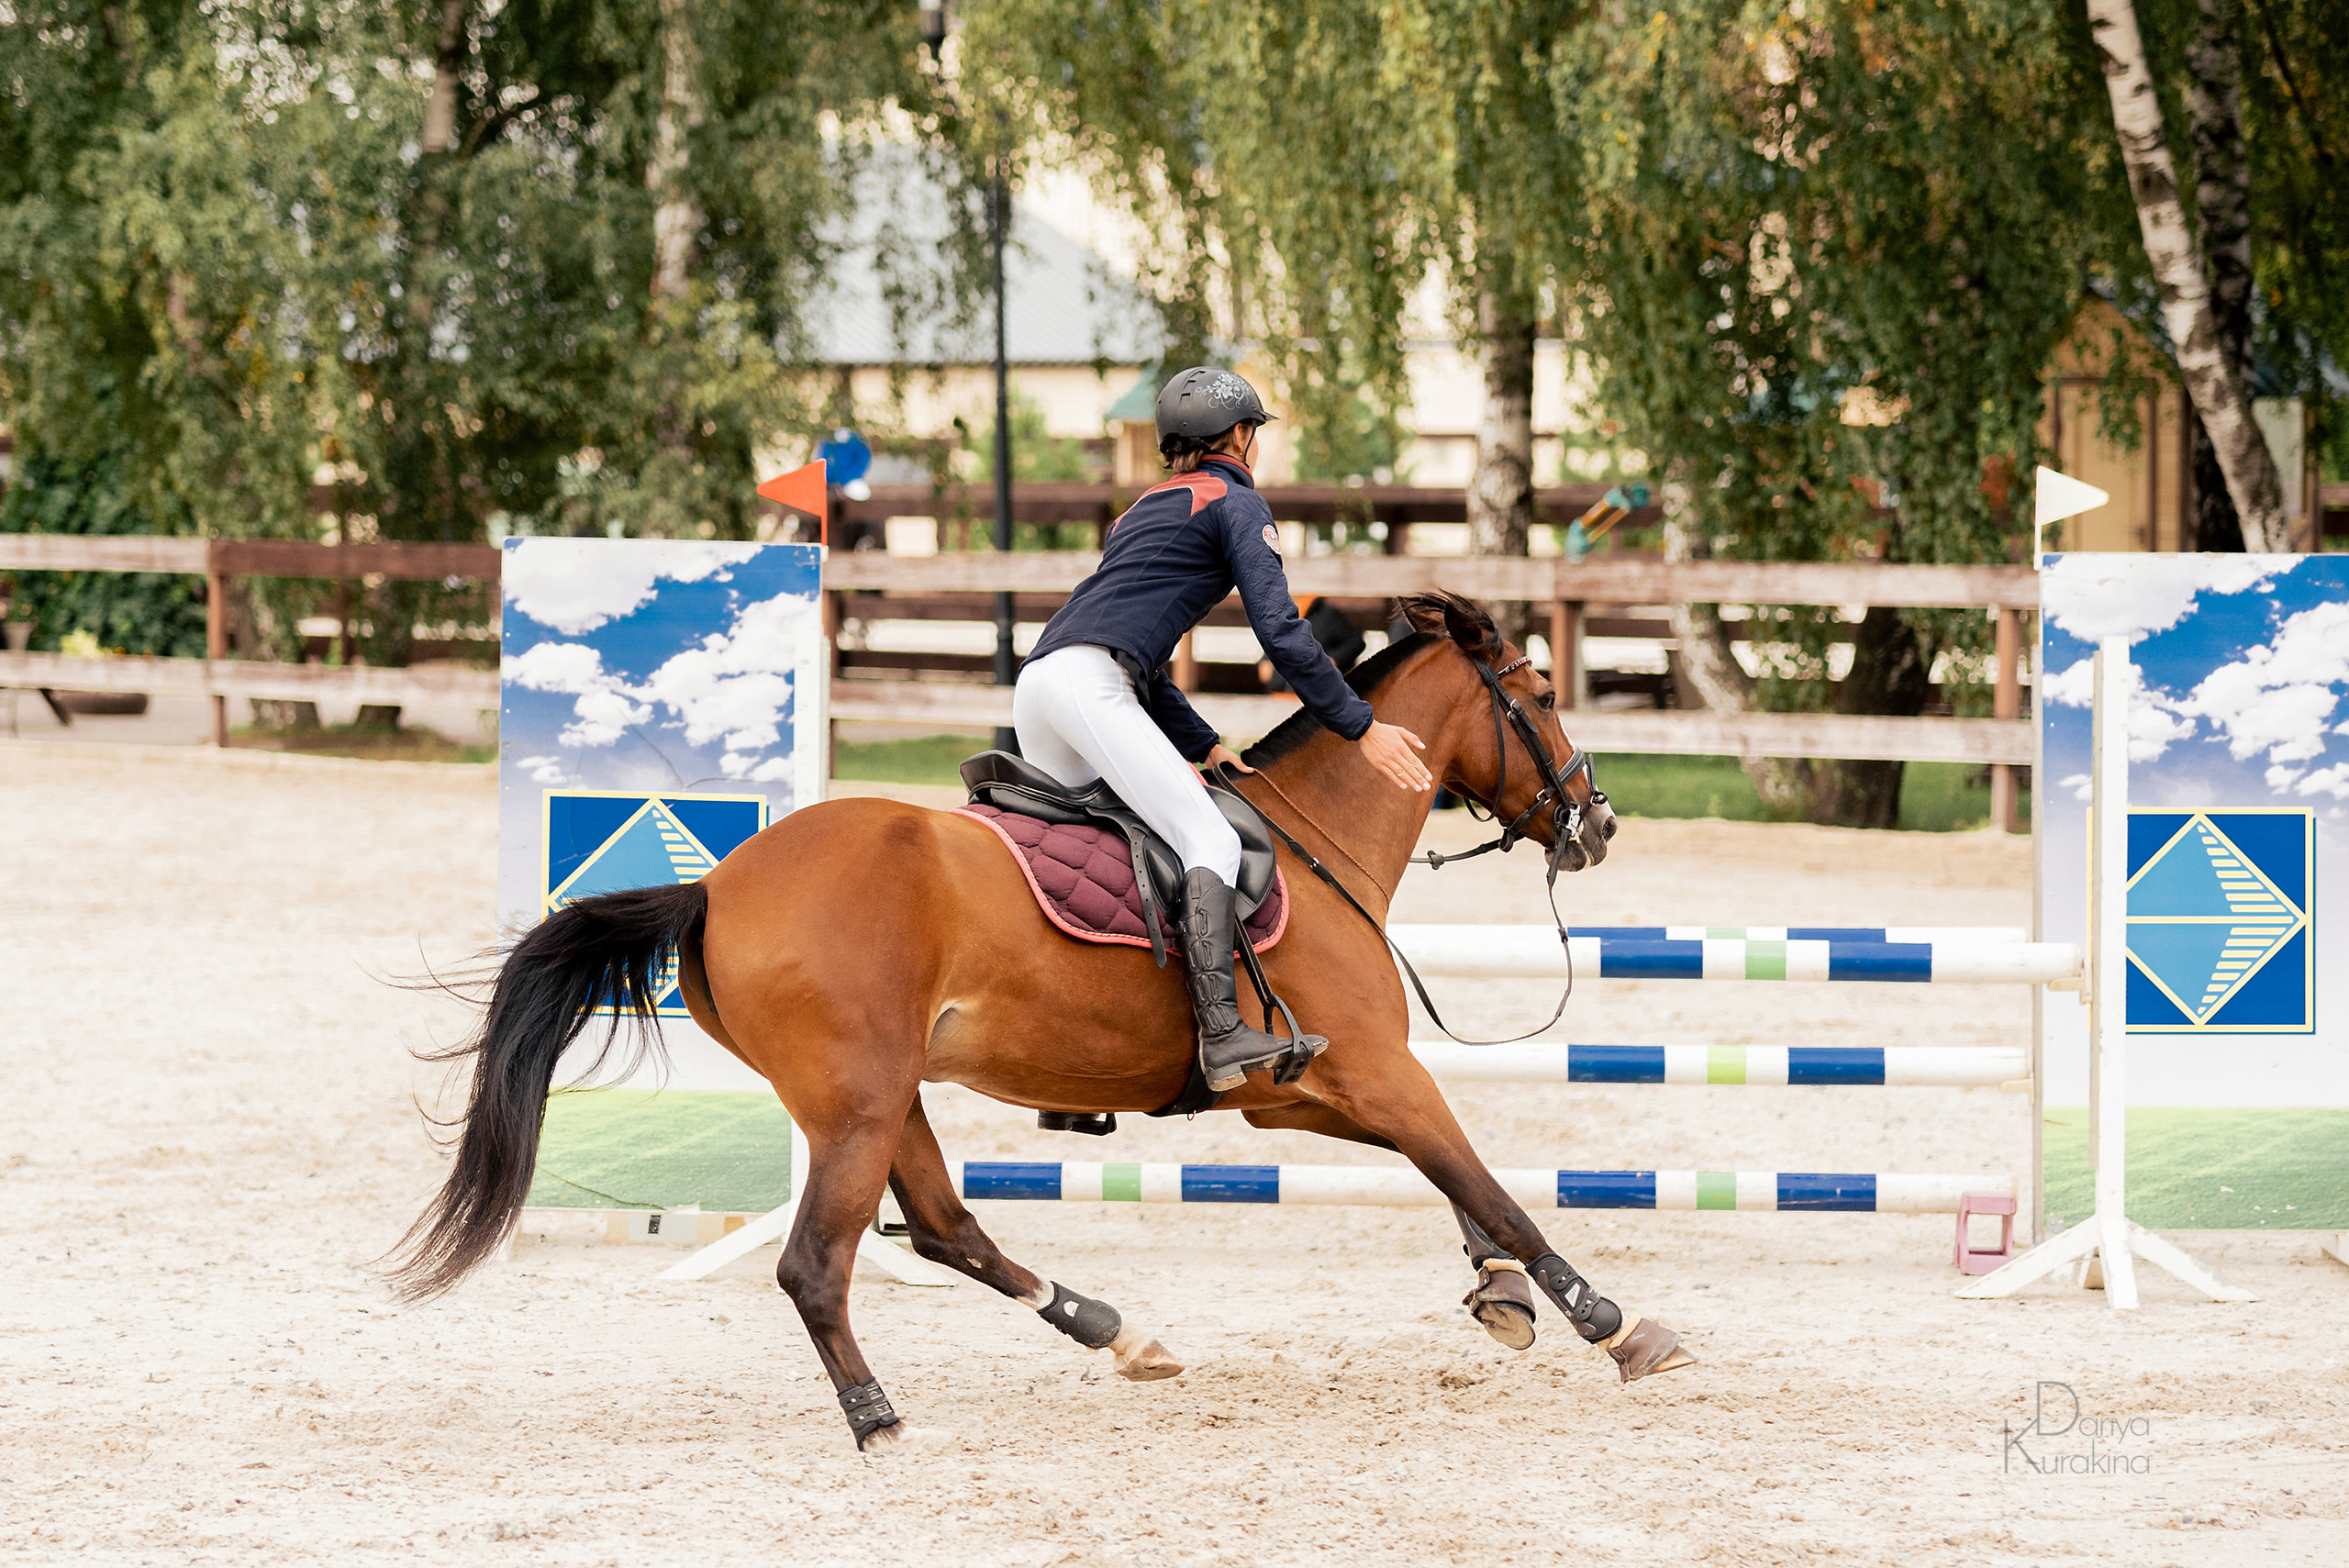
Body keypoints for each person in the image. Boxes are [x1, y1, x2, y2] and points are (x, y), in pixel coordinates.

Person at [1016, 367, 1434, 1092]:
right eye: (1255, 432)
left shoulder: (1141, 509)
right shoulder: (1238, 504)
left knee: (1116, 847)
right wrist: (1360, 725)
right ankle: (1221, 1032)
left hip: (1041, 686)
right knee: (1206, 837)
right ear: (1240, 435)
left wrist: (1203, 743)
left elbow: (1139, 655)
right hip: (1092, 685)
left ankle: (1076, 1067)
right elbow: (1280, 629)